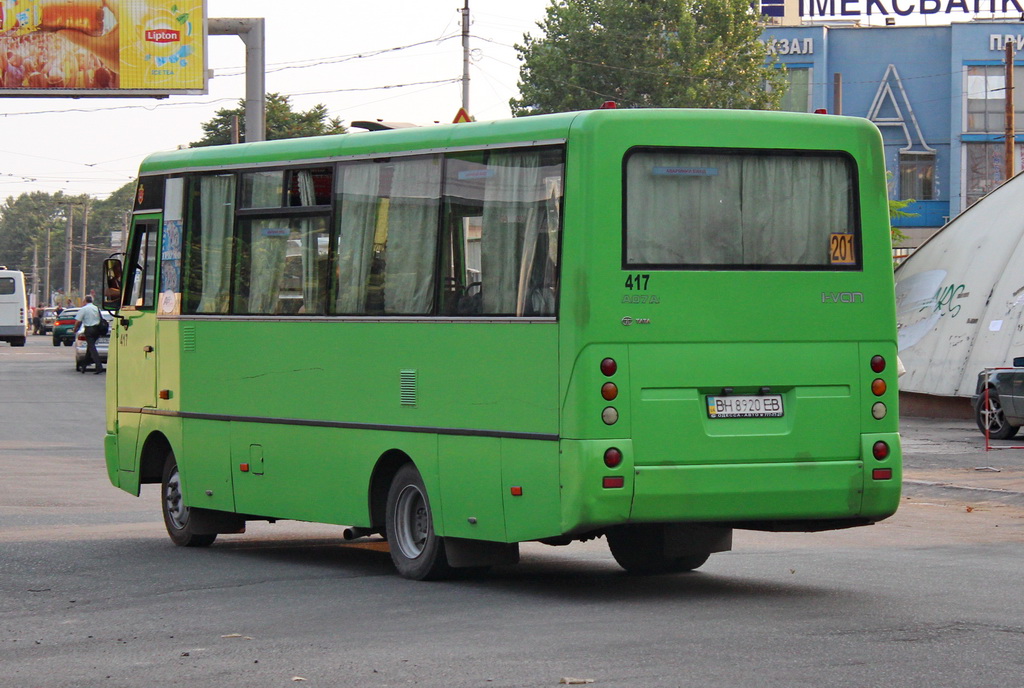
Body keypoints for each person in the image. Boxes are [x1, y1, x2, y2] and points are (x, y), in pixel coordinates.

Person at [73, 295, 104, 374]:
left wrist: (75, 329)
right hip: (97, 330)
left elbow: (78, 321)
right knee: (90, 347)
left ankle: (99, 366)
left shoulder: (84, 309)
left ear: (85, 301)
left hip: (89, 330)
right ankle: (84, 366)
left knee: (92, 348)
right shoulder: (96, 308)